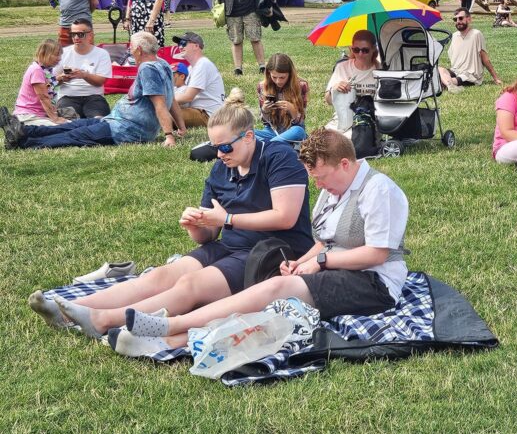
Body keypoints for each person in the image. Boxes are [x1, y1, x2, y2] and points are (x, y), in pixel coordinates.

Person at [27, 92, 314, 340]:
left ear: (249, 136)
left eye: (226, 146)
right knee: (162, 276)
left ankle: (102, 320)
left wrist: (226, 220)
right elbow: (208, 236)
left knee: (190, 285)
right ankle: (67, 306)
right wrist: (196, 225)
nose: (220, 154)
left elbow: (285, 217)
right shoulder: (221, 168)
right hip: (232, 245)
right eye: (215, 148)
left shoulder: (278, 157)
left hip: (272, 251)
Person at [101, 129, 402, 358]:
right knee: (266, 292)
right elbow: (324, 241)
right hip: (336, 268)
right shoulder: (334, 189)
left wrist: (321, 262)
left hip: (373, 281)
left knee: (275, 291)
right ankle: (169, 341)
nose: (318, 185)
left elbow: (378, 253)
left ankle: (172, 327)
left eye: (321, 177)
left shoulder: (378, 191)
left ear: (345, 164)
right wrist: (302, 262)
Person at [3, 32, 184, 149]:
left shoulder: (148, 69)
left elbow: (161, 103)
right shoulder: (163, 64)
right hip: (116, 121)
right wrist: (181, 128)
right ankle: (23, 130)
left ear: (138, 50)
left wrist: (169, 136)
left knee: (74, 135)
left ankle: (24, 142)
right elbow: (172, 99)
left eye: (131, 48)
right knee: (74, 125)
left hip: (125, 130)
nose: (129, 50)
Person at [55, 18, 112, 119]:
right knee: (67, 121)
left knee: (98, 121)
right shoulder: (63, 53)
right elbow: (52, 81)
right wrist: (62, 78)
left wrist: (84, 75)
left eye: (80, 34)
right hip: (68, 96)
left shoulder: (102, 54)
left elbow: (100, 81)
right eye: (73, 34)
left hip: (94, 96)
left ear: (90, 35)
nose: (76, 37)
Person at [325, 30, 380, 134]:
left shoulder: (379, 70)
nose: (360, 54)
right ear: (351, 48)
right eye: (356, 49)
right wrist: (335, 89)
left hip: (366, 121)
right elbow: (328, 101)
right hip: (341, 120)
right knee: (320, 143)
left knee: (347, 143)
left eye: (365, 50)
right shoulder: (342, 67)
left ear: (373, 49)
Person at [439, 8, 502, 91]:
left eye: (461, 18)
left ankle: (446, 84)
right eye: (455, 19)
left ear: (469, 19)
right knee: (439, 69)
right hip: (455, 71)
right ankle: (448, 84)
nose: (458, 21)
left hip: (470, 75)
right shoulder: (454, 36)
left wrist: (495, 78)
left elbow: (485, 58)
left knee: (443, 81)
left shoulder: (476, 34)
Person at [171, 32, 224, 128]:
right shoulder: (192, 68)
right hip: (198, 111)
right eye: (179, 44)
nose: (180, 47)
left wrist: (163, 101)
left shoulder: (202, 64)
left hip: (208, 115)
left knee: (163, 116)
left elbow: (187, 97)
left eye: (183, 43)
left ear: (196, 46)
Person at [12, 39, 69, 126]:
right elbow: (44, 97)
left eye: (60, 55)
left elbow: (49, 87)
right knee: (63, 128)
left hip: (40, 113)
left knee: (71, 117)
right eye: (56, 55)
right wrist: (55, 118)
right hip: (28, 116)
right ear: (44, 54)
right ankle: (19, 129)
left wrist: (61, 79)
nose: (59, 58)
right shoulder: (37, 70)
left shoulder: (46, 69)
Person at [256, 53, 309, 144]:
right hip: (272, 131)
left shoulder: (301, 85)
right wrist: (265, 110)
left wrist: (292, 110)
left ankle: (267, 146)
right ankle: (275, 144)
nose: (278, 81)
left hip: (292, 131)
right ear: (269, 74)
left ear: (290, 74)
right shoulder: (262, 86)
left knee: (298, 131)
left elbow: (300, 123)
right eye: (274, 77)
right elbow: (266, 123)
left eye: (282, 77)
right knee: (245, 133)